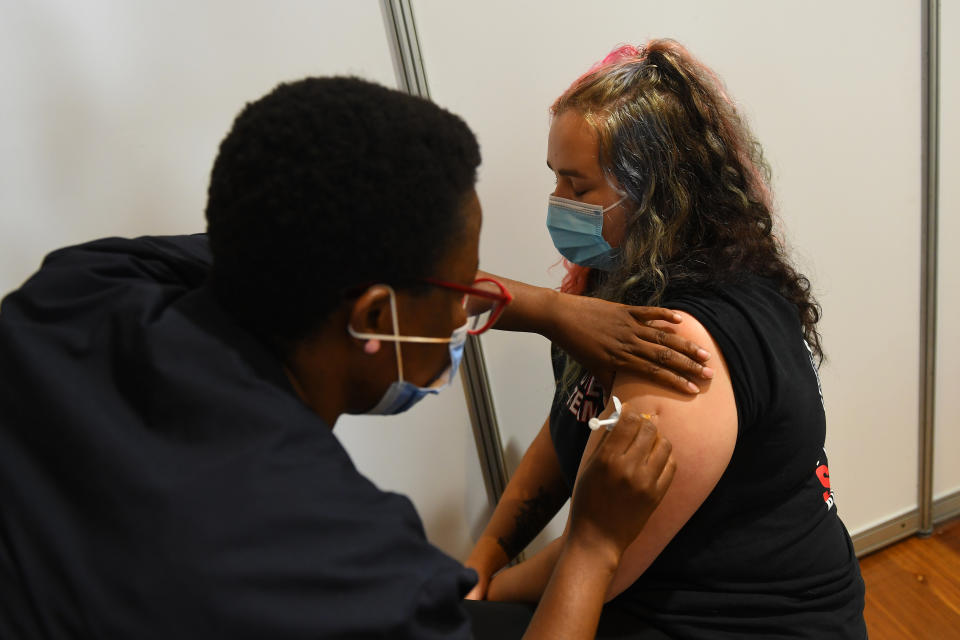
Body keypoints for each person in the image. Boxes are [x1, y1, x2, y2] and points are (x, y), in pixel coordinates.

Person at [0, 76, 709, 639]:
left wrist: (550, 309)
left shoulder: (81, 291)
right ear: (375, 316)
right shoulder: (335, 557)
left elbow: (282, 233)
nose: (473, 303)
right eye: (459, 288)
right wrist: (591, 544)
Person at [465, 40, 867, 638]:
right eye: (555, 181)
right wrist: (487, 552)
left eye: (579, 190)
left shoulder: (674, 347)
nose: (558, 206)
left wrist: (489, 592)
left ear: (655, 194)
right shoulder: (615, 288)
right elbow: (569, 423)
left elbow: (605, 556)